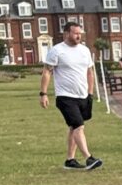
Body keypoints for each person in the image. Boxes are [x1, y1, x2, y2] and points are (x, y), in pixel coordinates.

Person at [40, 19, 103, 171]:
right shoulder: (57, 51)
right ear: (66, 33)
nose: (78, 36)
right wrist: (43, 93)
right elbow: (47, 71)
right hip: (65, 96)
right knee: (79, 126)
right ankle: (89, 158)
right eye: (75, 33)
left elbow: (90, 72)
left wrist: (90, 93)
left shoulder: (85, 50)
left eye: (80, 33)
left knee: (74, 127)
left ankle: (70, 160)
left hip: (83, 95)